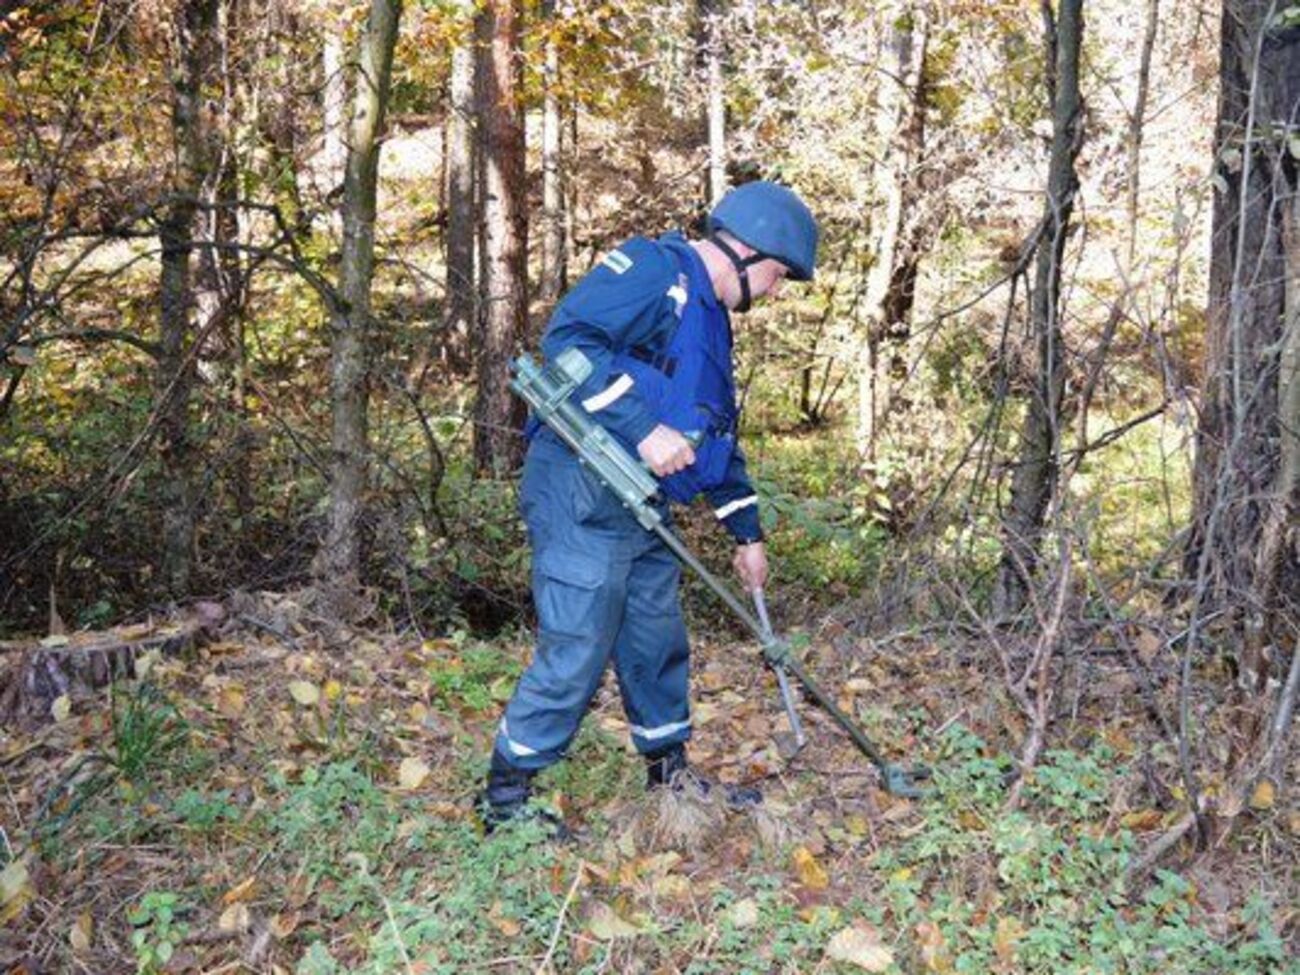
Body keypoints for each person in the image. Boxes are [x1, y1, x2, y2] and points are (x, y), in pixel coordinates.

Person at [480, 180, 819, 834]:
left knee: (655, 638)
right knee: (579, 641)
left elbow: (712, 438)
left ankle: (669, 772)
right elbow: (569, 341)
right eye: (777, 275)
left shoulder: (709, 324)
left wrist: (746, 532)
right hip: (579, 488)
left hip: (644, 506)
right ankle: (506, 799)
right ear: (745, 251)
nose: (775, 292)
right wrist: (640, 426)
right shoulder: (653, 270)